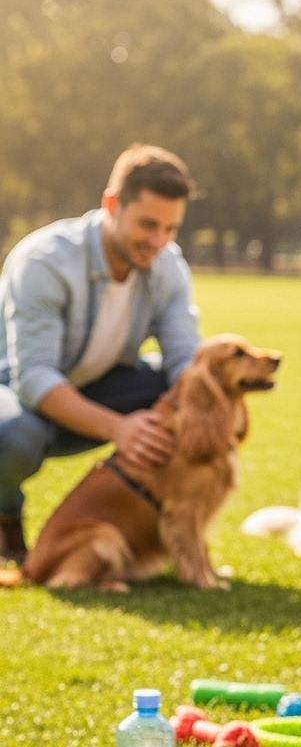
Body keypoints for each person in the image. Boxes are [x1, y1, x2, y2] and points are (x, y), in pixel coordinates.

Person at [0, 144, 201, 563]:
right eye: (148, 224)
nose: (158, 241)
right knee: (15, 435)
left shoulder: (168, 266)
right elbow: (34, 378)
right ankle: (6, 515)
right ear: (112, 205)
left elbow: (185, 359)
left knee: (184, 396)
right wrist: (119, 428)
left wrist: (206, 407)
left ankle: (153, 524)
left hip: (96, 384)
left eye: (171, 228)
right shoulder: (45, 261)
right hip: (16, 394)